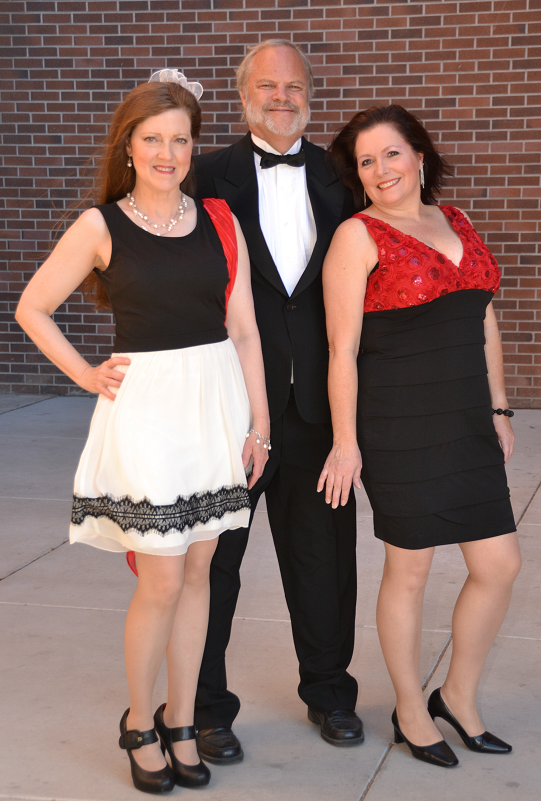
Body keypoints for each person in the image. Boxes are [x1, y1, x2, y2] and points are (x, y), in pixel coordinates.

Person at [15, 69, 270, 793]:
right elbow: (33, 307)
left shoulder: (219, 220)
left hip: (216, 406)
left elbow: (245, 331)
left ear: (193, 147)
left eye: (180, 140)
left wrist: (260, 426)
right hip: (151, 414)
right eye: (153, 139)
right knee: (160, 577)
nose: (167, 153)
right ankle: (137, 722)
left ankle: (181, 719)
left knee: (200, 572)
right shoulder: (101, 225)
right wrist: (84, 373)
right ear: (128, 146)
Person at [317, 103, 522, 768]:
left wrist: (498, 408)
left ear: (419, 156)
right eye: (365, 161)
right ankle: (410, 708)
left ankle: (456, 697)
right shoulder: (356, 236)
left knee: (498, 565)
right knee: (409, 570)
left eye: (391, 153)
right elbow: (341, 350)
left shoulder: (456, 219)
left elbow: (482, 319)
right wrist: (345, 442)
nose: (380, 169)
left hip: (466, 420)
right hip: (398, 424)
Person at [192, 39, 362, 762]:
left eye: (294, 86)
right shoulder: (202, 175)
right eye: (267, 85)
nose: (281, 97)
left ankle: (329, 692)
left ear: (310, 95)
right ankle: (203, 708)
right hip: (229, 411)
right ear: (243, 95)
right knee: (211, 566)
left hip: (320, 409)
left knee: (324, 561)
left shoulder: (344, 175)